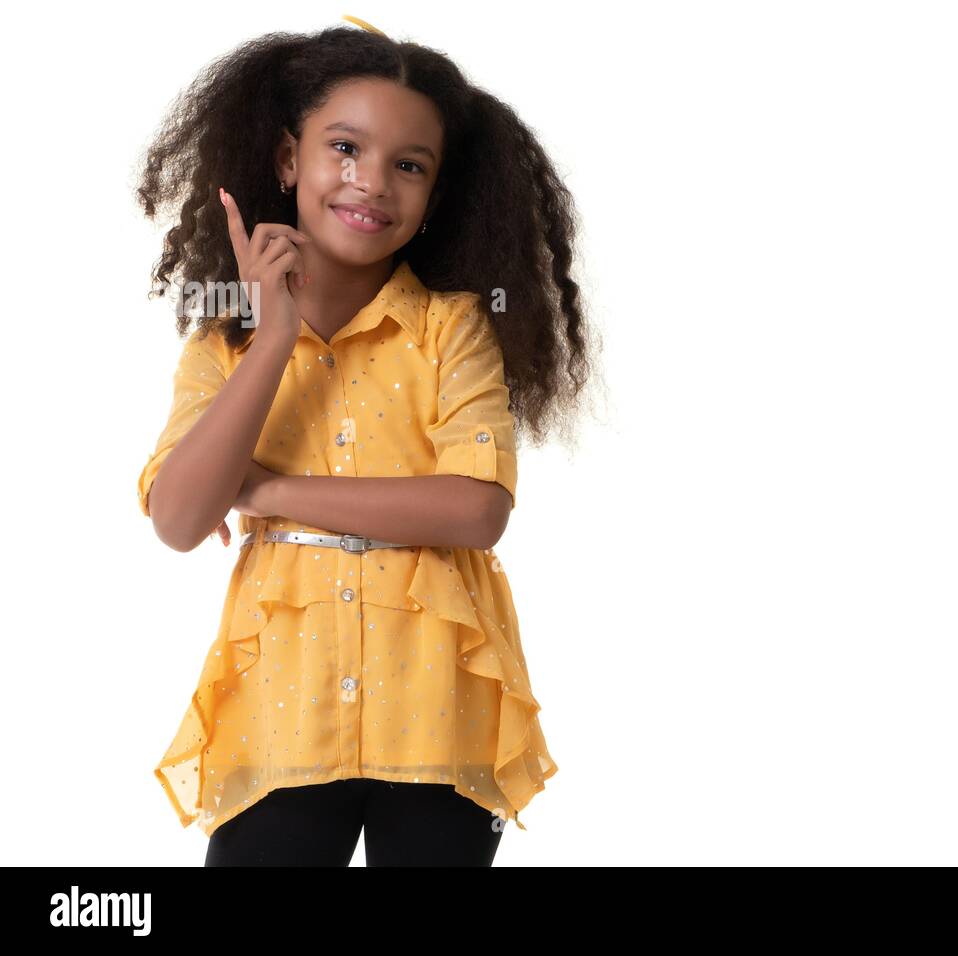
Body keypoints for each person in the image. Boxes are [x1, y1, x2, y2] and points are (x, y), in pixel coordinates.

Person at [134, 14, 598, 865]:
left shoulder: (453, 329)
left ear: (435, 193)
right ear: (287, 160)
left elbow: (475, 508)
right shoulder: (228, 345)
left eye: (408, 165)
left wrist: (267, 490)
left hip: (439, 713)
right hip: (281, 715)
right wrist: (272, 340)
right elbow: (176, 517)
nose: (371, 182)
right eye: (344, 149)